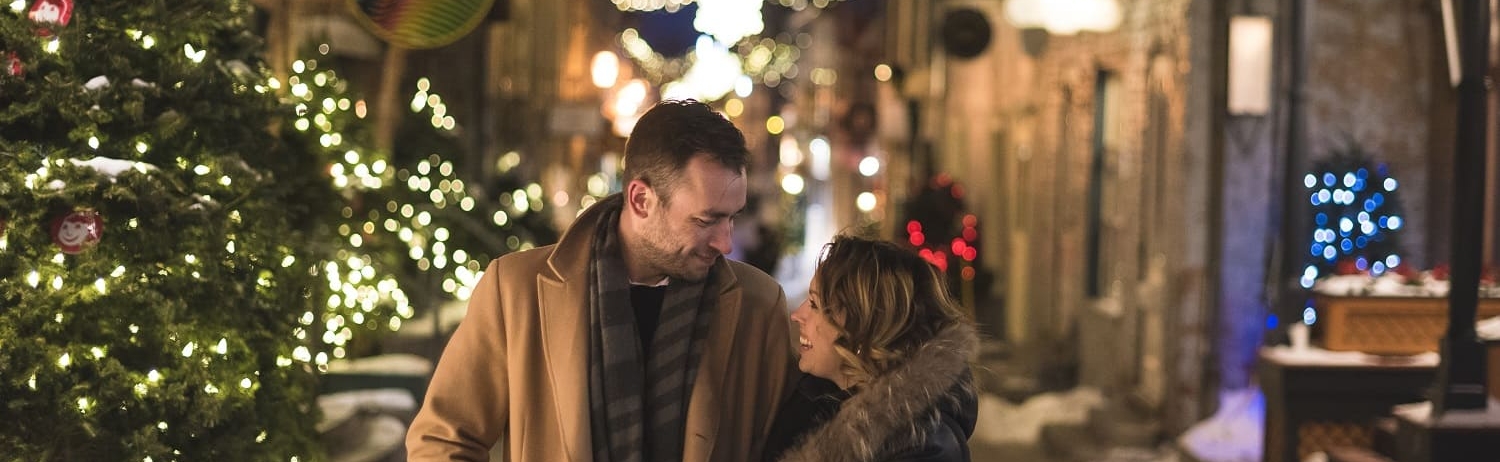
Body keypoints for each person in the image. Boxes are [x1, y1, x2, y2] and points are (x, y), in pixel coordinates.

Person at [407, 99, 796, 462]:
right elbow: (442, 442)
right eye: (706, 220)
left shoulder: (759, 305)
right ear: (642, 200)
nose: (725, 242)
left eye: (732, 217)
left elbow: (792, 448)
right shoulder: (515, 290)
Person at [763, 235, 979, 462]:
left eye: (816, 305)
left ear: (864, 329)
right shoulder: (813, 401)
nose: (797, 315)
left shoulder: (922, 448)